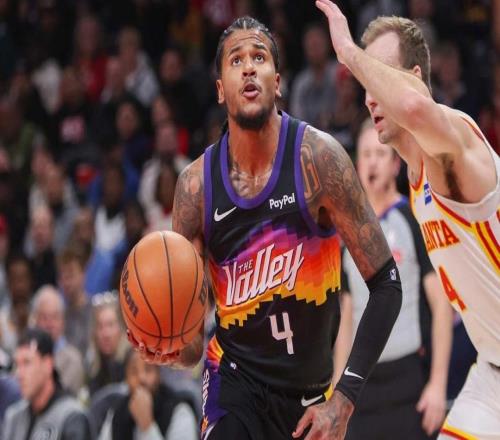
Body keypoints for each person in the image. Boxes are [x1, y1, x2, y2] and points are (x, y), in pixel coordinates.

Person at [128, 16, 403, 440]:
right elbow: (192, 346)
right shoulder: (196, 187)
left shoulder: (320, 160)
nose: (248, 68)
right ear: (220, 90)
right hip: (234, 381)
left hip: (309, 397)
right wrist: (168, 345)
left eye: (259, 57)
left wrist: (344, 399)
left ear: (277, 83)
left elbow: (386, 284)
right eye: (236, 60)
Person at [315, 1, 500, 438]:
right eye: (364, 81)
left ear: (415, 77)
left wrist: (347, 51)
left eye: (379, 74)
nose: (369, 94)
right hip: (491, 368)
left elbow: (416, 108)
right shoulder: (416, 184)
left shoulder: (455, 140)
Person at [338, 119, 453, 439]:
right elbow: (346, 318)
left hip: (409, 383)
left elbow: (442, 306)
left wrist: (438, 384)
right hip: (361, 390)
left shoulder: (412, 218)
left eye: (380, 154)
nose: (372, 162)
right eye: (366, 155)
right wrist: (336, 395)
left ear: (395, 165)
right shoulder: (346, 232)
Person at [1, 328, 91, 440]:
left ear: (48, 364)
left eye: (26, 363)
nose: (19, 373)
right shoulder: (14, 417)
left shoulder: (71, 417)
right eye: (17, 365)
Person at [97, 349, 198, 440]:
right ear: (126, 379)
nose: (141, 378)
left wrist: (147, 426)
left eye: (148, 369)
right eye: (133, 372)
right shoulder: (116, 413)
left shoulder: (179, 411)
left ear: (158, 375)